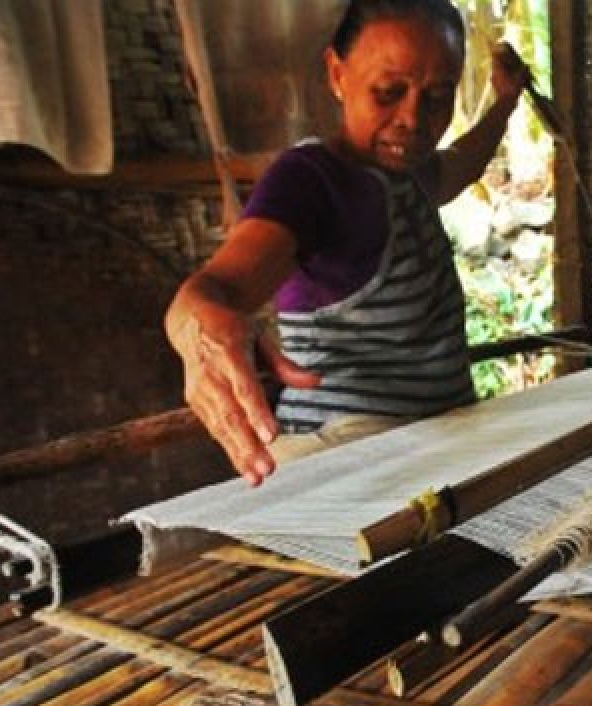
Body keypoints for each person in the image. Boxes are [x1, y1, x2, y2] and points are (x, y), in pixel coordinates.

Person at [166, 0, 529, 486]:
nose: (413, 119)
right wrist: (198, 330)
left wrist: (505, 101)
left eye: (438, 97)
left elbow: (462, 163)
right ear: (337, 74)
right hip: (344, 457)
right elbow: (214, 289)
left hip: (433, 446)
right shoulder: (311, 182)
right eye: (387, 92)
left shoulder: (409, 173)